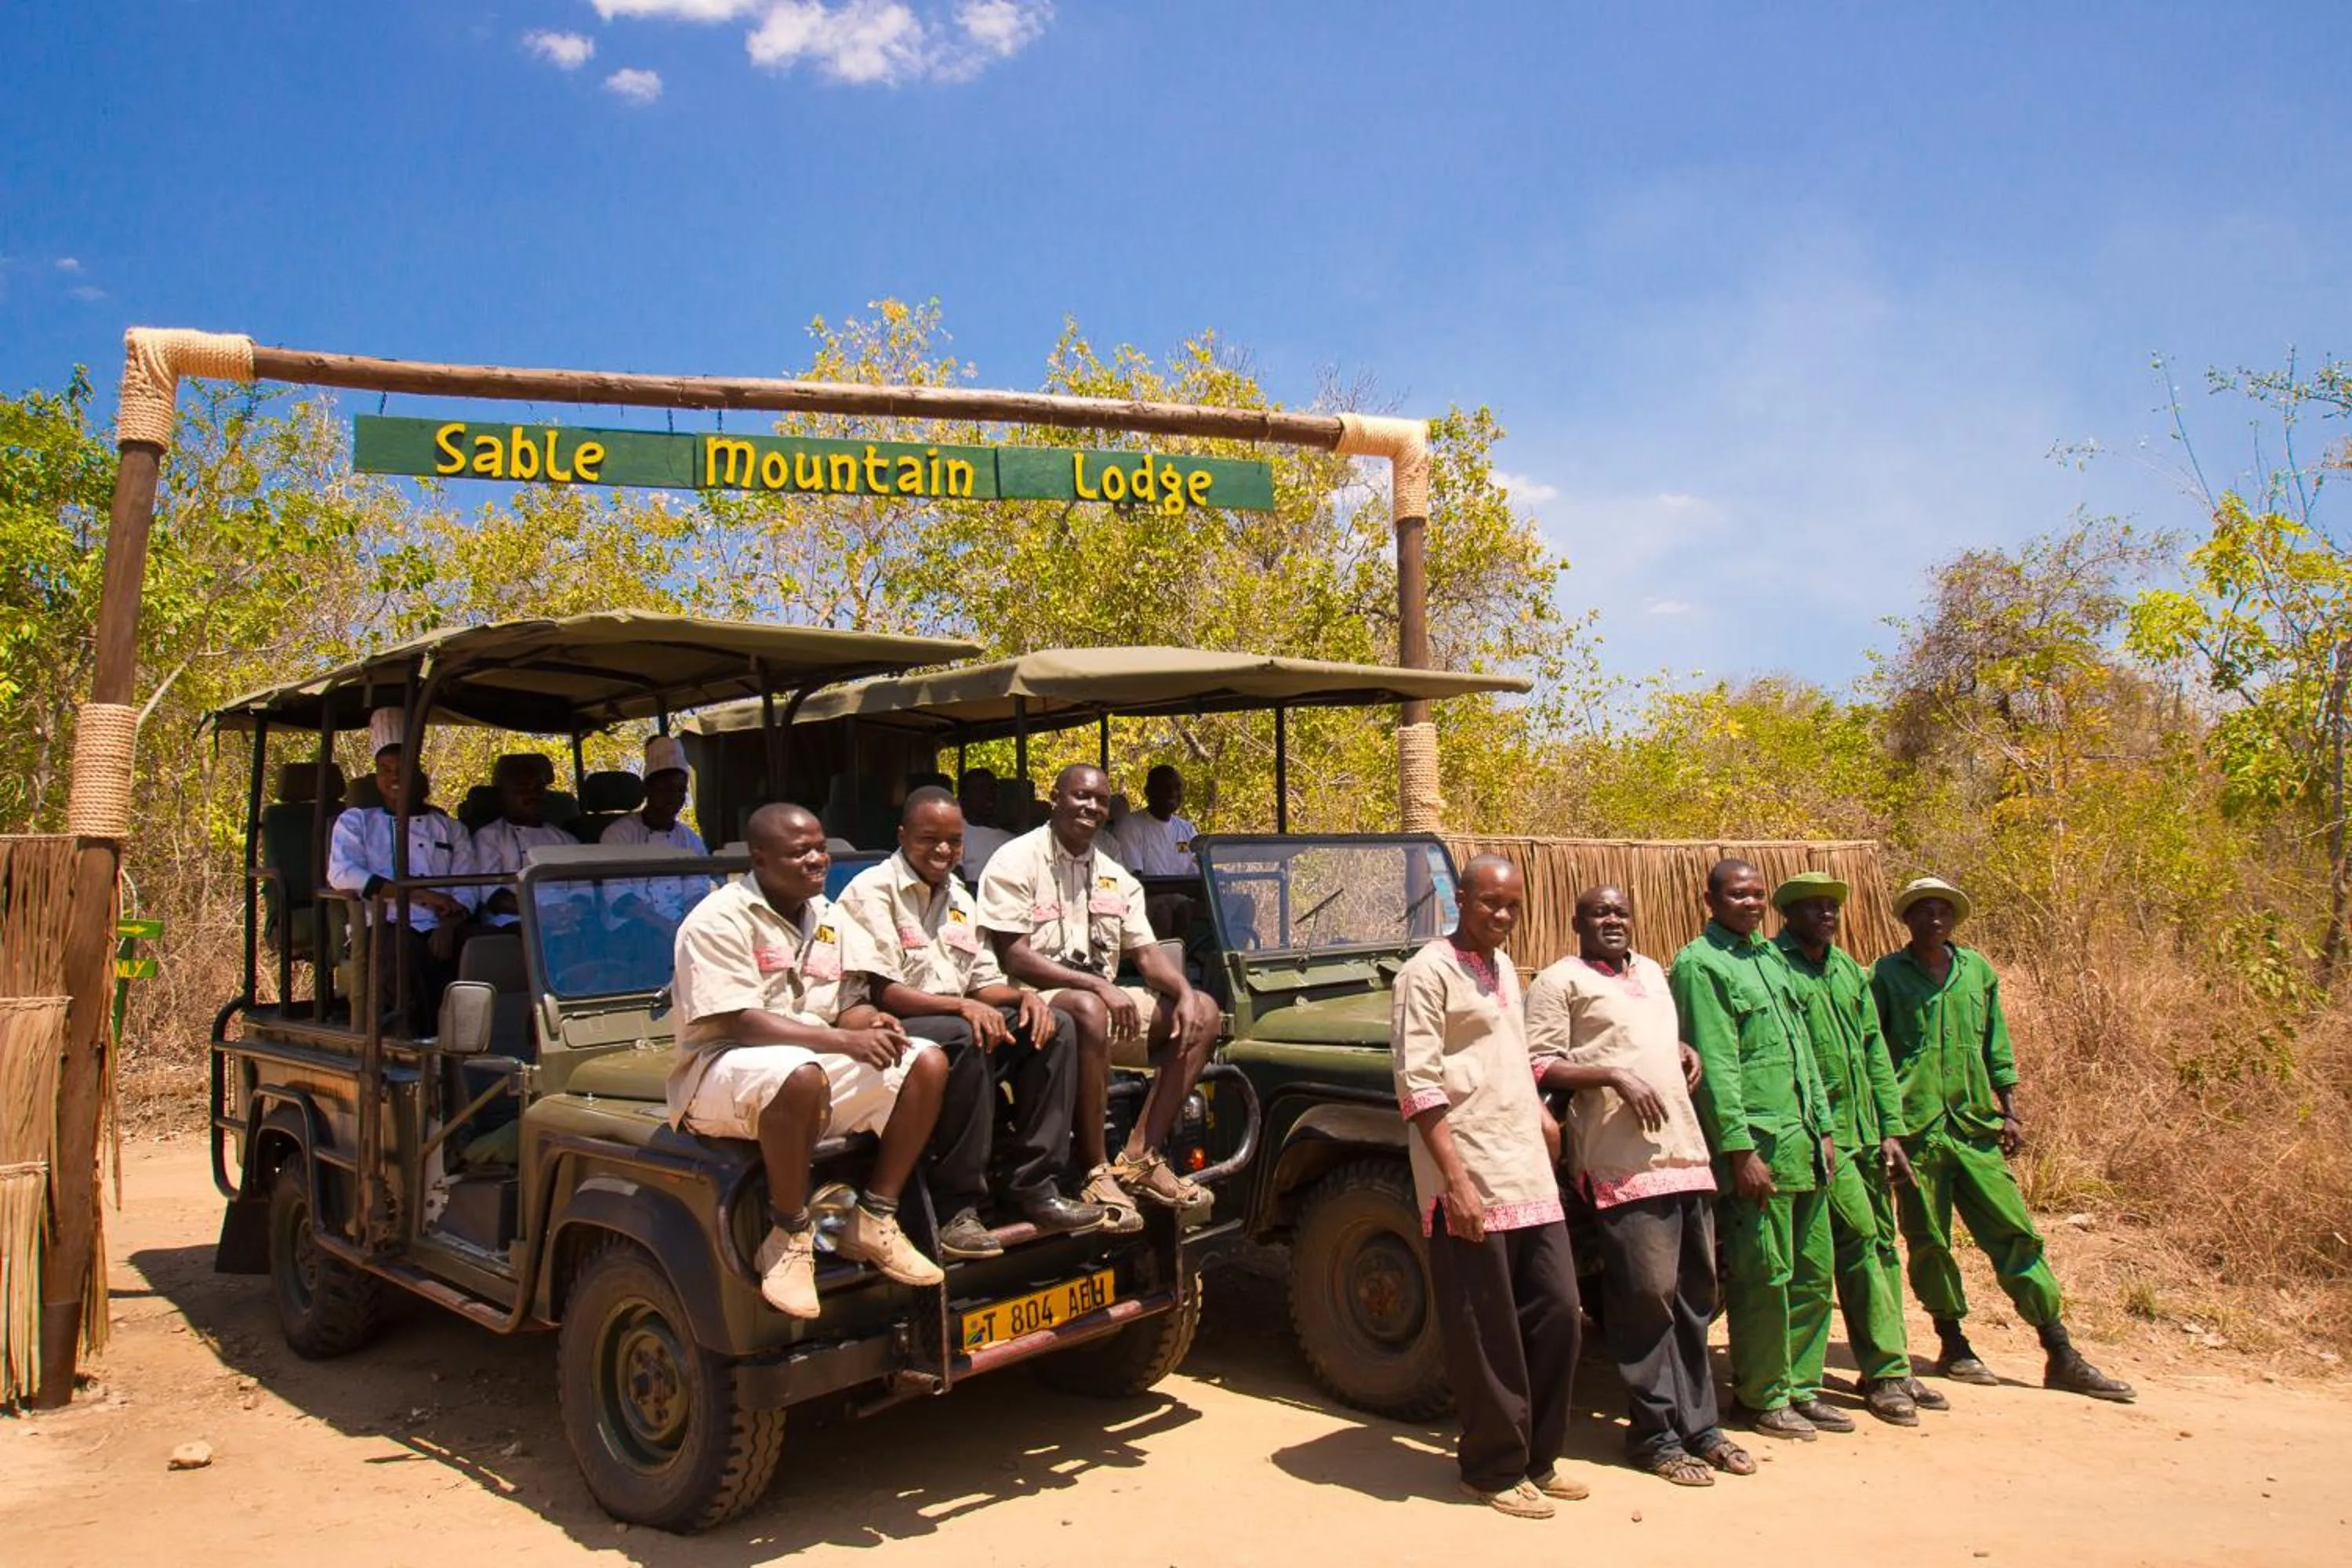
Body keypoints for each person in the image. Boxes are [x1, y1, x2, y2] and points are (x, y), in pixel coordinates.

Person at [667, 802, 949, 1319]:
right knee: (798, 1074)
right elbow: (741, 1023)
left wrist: (873, 1024)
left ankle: (874, 1217)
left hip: (810, 1061)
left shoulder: (828, 917)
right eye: (800, 852)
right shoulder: (717, 919)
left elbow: (848, 1005)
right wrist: (844, 1042)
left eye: (820, 848)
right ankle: (789, 1235)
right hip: (722, 1066)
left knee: (925, 1062)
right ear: (759, 859)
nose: (816, 860)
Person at [1874, 877, 2134, 1401]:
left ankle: (2059, 1350)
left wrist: (2010, 1109)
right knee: (1928, 1240)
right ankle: (1953, 1344)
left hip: (1975, 1126)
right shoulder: (1886, 975)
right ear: (1907, 920)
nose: (1933, 919)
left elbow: (1996, 1041)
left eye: (1942, 911)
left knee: (2014, 1231)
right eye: (1922, 911)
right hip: (1918, 1131)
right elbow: (1874, 1051)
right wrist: (1886, 1128)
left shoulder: (1977, 971)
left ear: (1954, 919)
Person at [1526, 884, 1750, 1487]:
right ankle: (1654, 1437)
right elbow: (1539, 1064)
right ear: (1576, 922)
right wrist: (1614, 1075)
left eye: (1620, 912)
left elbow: (1642, 1036)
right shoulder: (1559, 982)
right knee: (1646, 1300)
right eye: (1599, 912)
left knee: (1694, 1299)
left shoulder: (1652, 972)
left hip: (1684, 1152)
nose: (1612, 920)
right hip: (1621, 1163)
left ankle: (1701, 1429)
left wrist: (1680, 1049)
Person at [1394, 855, 1587, 1519]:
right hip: (1468, 1170)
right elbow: (1418, 1086)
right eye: (1489, 903)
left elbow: (1508, 1055)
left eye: (1512, 906)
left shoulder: (1504, 967)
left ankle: (1538, 1457)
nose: (1502, 916)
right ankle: (1492, 1469)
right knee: (1487, 1329)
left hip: (1524, 1167)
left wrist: (1541, 1117)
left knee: (1558, 1312)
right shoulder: (1426, 973)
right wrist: (1456, 1182)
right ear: (1460, 899)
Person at [837, 786, 1106, 1258]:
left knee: (1057, 1025)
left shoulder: (960, 898)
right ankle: (957, 1208)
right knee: (967, 1035)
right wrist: (962, 1007)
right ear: (902, 836)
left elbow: (984, 984)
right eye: (929, 839)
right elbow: (885, 992)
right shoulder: (872, 891)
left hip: (957, 1016)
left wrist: (1025, 999)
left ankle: (1036, 1185)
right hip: (895, 1024)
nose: (943, 850)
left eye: (954, 841)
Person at [977, 763, 1221, 1229]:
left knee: (1205, 1012)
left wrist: (1185, 991)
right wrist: (1097, 985)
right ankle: (1095, 1170)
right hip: (1030, 1008)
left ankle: (1140, 1158)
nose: (1091, 807)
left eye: (1101, 801)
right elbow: (1015, 957)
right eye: (1081, 796)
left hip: (1098, 1009)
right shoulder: (1015, 860)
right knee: (1088, 1007)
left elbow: (1146, 954)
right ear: (1055, 799)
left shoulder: (1114, 875)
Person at [1671, 858, 1844, 1441]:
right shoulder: (1701, 965)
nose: (1750, 903)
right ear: (1711, 901)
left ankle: (1801, 1388)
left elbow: (1803, 1052)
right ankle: (1762, 1396)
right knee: (1764, 1276)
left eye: (1756, 895)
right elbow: (1715, 1066)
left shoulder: (1770, 959)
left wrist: (1823, 1128)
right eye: (1737, 895)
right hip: (1759, 1151)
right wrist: (1739, 1149)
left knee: (1813, 1274)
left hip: (1803, 1143)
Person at [1771, 871, 1947, 1426]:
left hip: (1864, 1133)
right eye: (1814, 907)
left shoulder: (1847, 969)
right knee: (1843, 1250)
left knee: (1880, 1248)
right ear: (1788, 914)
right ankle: (1870, 1375)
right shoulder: (1776, 968)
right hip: (1818, 1137)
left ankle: (1887, 1366)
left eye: (1832, 907)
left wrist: (1890, 1128)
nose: (1827, 915)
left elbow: (1874, 1051)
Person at [326, 709, 477, 1033]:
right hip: (384, 925)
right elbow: (343, 873)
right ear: (376, 777)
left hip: (444, 922)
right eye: (386, 770)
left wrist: (448, 925)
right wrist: (421, 895)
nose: (394, 777)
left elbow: (469, 887)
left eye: (403, 769)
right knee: (405, 955)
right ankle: (419, 1045)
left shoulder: (451, 829)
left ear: (420, 776)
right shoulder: (356, 822)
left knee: (487, 947)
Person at [601, 735, 712, 940]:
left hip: (681, 926)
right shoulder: (618, 834)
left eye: (680, 790)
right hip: (629, 931)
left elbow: (697, 890)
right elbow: (618, 897)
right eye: (666, 789)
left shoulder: (690, 840)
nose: (675, 797)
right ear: (648, 790)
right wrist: (662, 925)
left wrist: (684, 923)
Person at [470, 753, 576, 930]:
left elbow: (583, 889)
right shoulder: (488, 837)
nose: (533, 795)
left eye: (539, 789)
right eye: (523, 790)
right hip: (512, 924)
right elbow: (492, 895)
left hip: (567, 921)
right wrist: (541, 913)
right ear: (503, 796)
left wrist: (573, 911)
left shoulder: (566, 839)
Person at [1108, 764, 1199, 876]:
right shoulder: (1129, 827)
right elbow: (1135, 879)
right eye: (1165, 787)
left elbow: (1201, 872)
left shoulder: (1187, 830)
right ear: (1148, 791)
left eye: (1177, 787)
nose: (1172, 792)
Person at [956, 767, 1011, 884]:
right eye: (980, 789)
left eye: (992, 789)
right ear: (963, 798)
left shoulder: (1011, 840)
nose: (989, 795)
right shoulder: (956, 833)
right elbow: (955, 880)